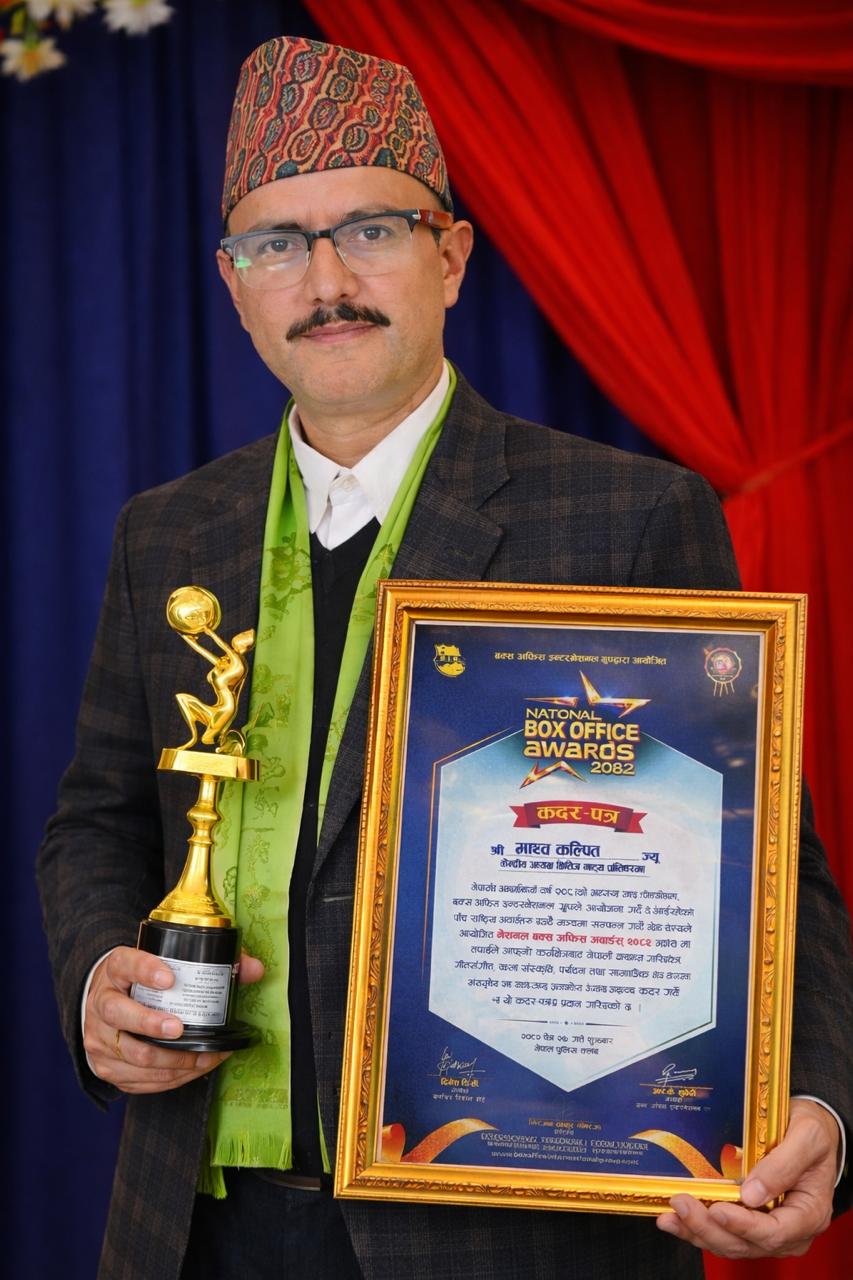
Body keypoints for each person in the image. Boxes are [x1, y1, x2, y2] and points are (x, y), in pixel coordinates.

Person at [37, 35, 852, 1280]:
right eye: (278, 244)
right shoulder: (168, 532)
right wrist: (103, 971)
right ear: (233, 284)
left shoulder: (626, 515)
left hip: (510, 1225)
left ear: (451, 255)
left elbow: (762, 866)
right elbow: (97, 818)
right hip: (199, 1218)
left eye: (371, 229)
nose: (326, 281)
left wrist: (817, 1099)